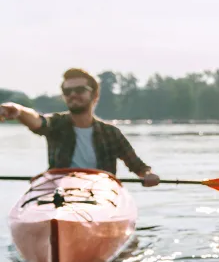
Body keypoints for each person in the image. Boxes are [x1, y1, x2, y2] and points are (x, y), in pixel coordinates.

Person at [0, 68, 160, 186]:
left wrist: (148, 175)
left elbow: (138, 167)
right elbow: (37, 121)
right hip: (60, 190)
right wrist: (19, 111)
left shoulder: (111, 133)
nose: (72, 94)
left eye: (79, 90)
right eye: (67, 91)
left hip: (100, 192)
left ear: (95, 95)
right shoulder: (56, 124)